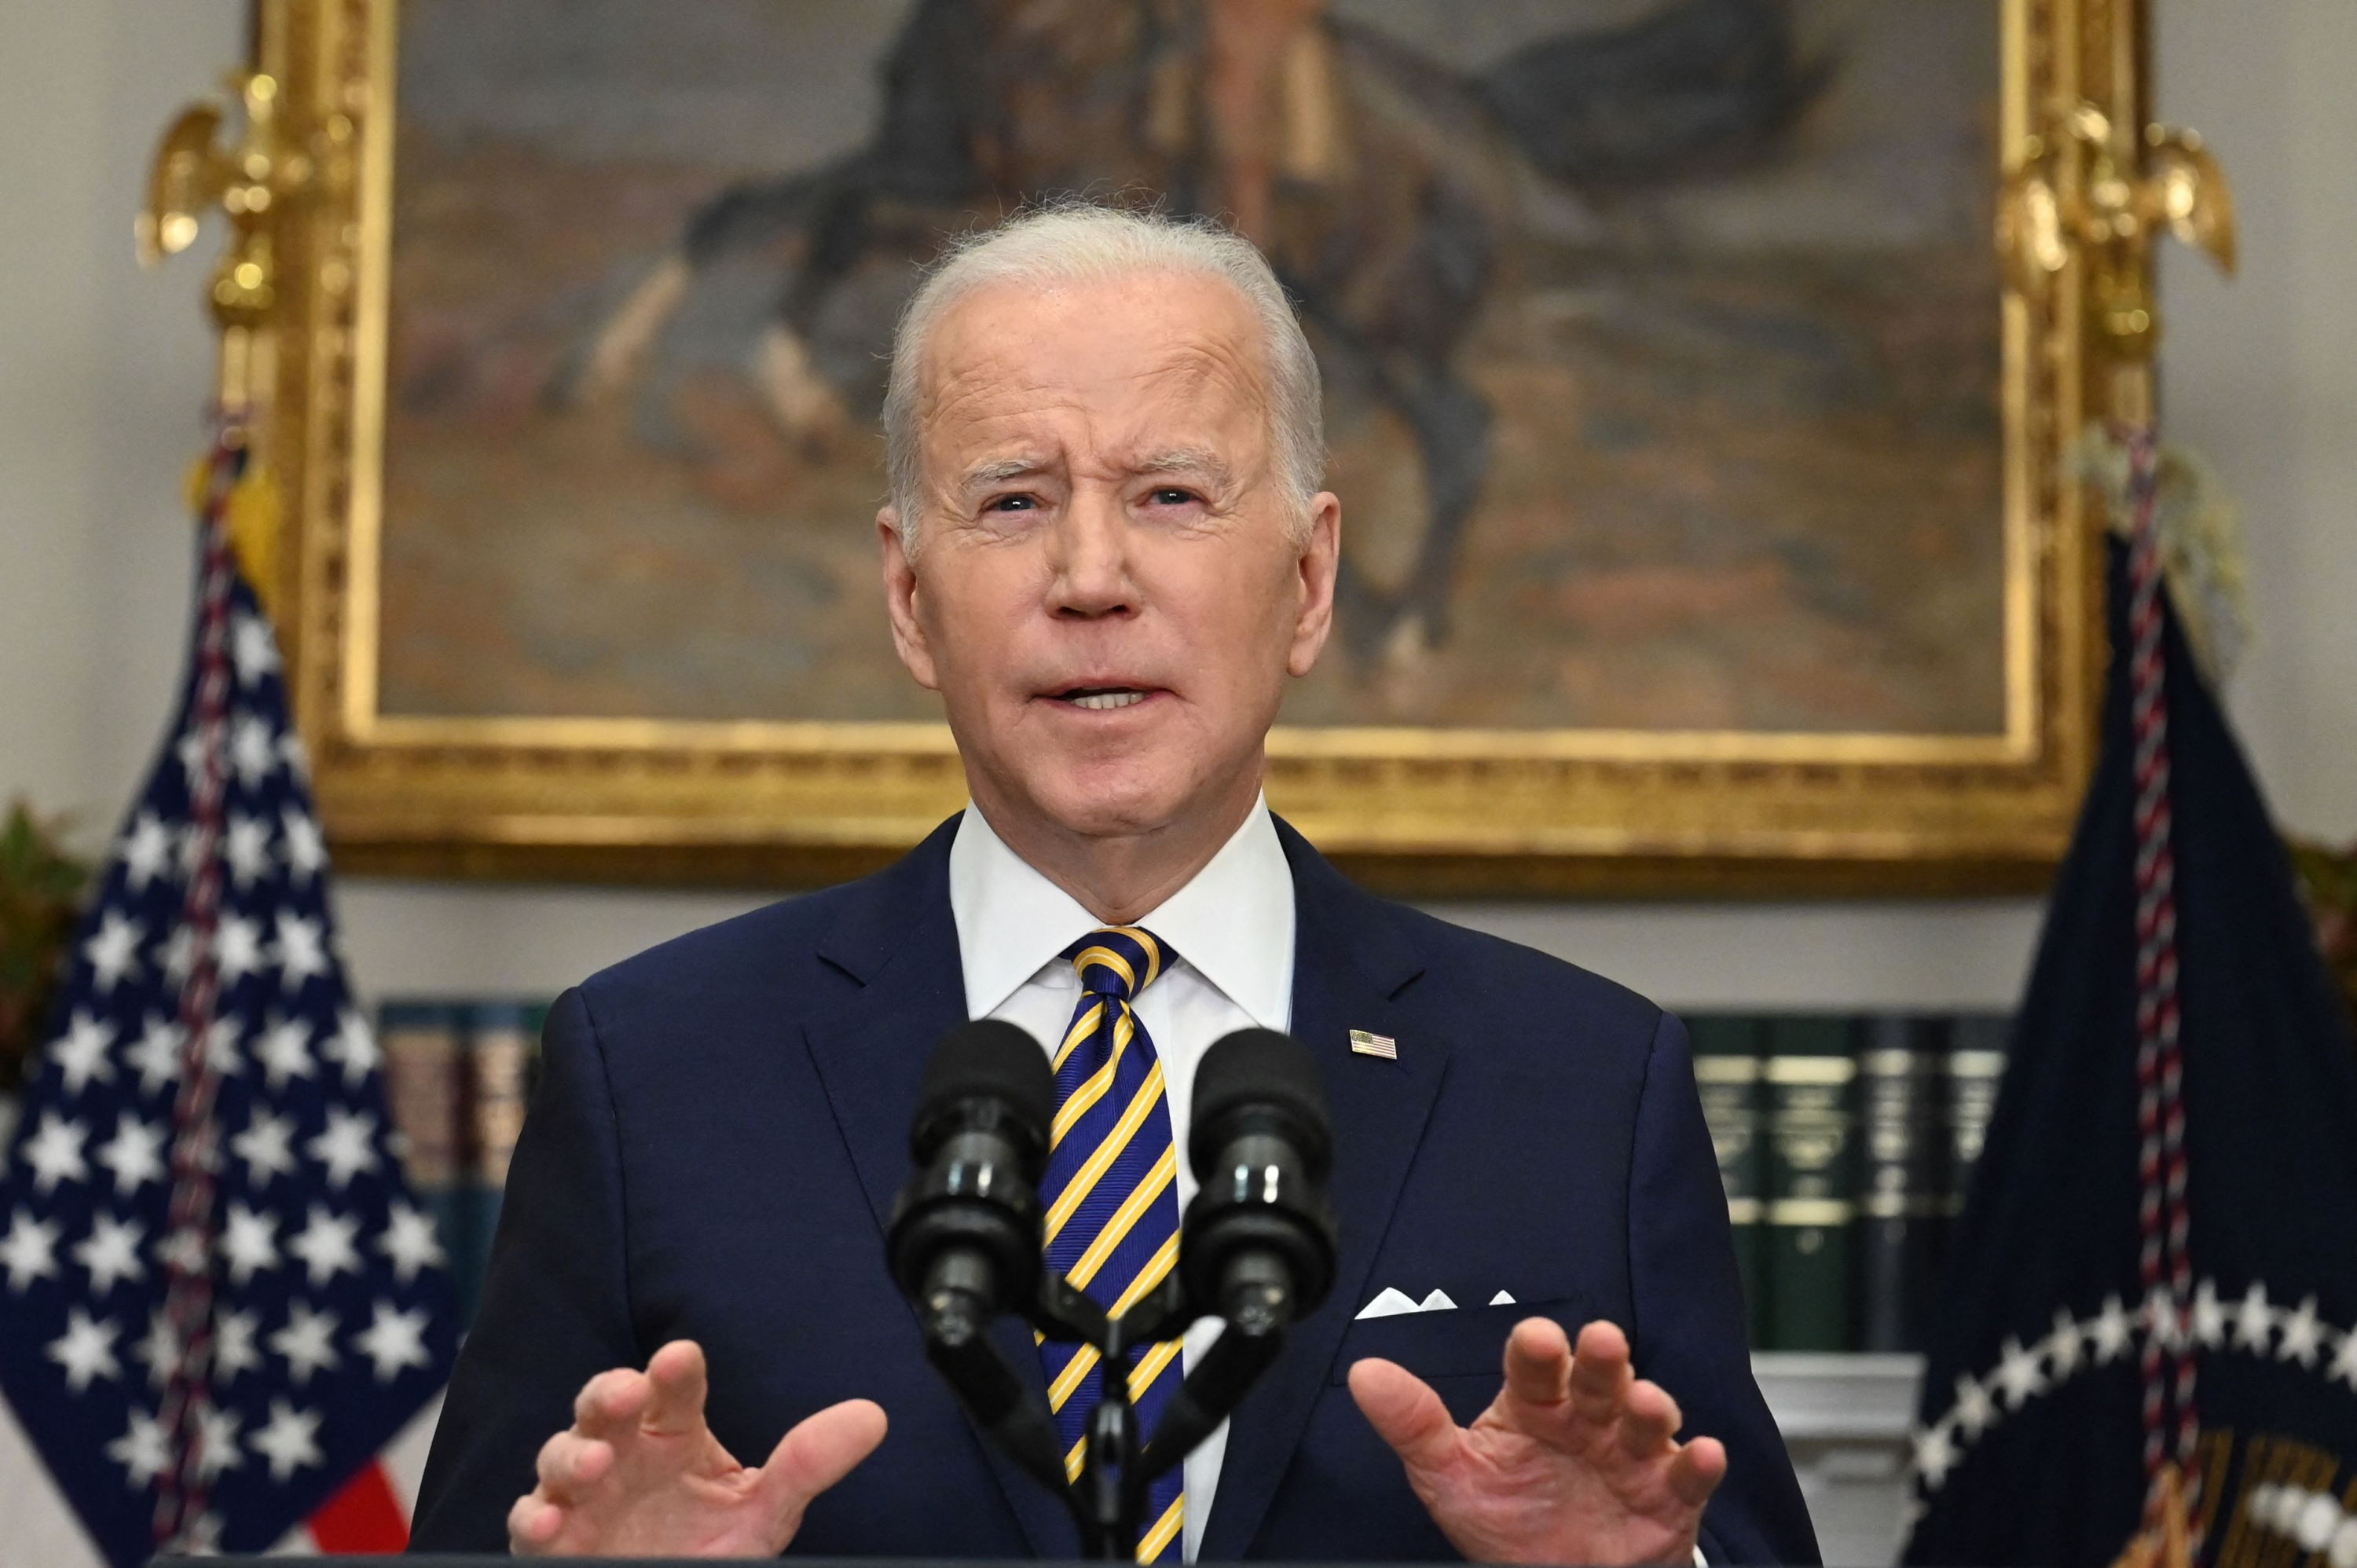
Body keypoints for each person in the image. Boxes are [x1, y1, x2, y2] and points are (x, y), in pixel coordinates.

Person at [409, 203, 1817, 1566]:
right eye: (1013, 500)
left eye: (1172, 496)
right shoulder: (653, 1073)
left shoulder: (1579, 1082)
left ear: (1313, 581)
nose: (1091, 576)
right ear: (910, 599)